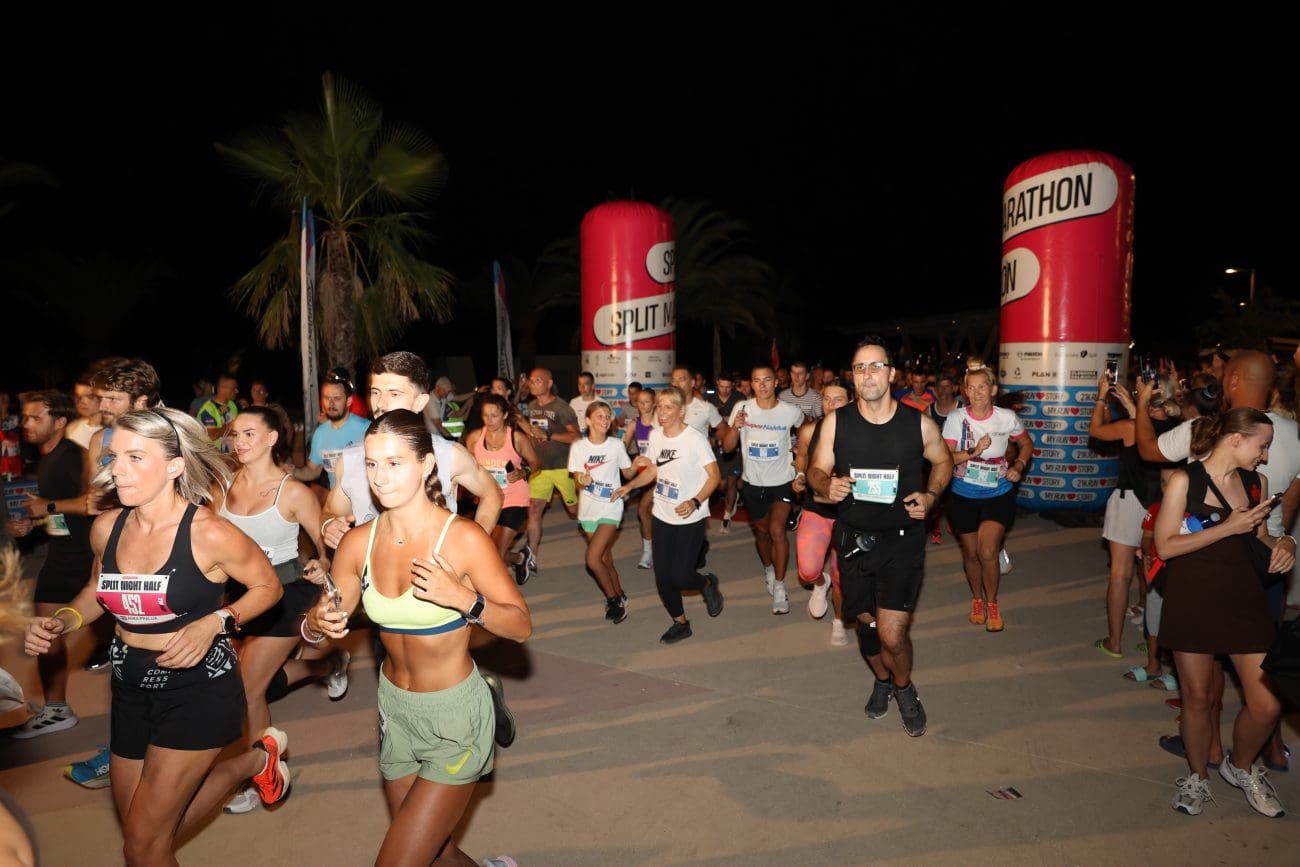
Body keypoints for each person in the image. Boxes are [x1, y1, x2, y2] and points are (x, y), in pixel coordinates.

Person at [23, 407, 289, 864]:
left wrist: (216, 622)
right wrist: (63, 621)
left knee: (143, 846)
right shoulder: (108, 528)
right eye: (113, 458)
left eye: (134, 458)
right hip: (129, 685)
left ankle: (250, 761)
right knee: (143, 836)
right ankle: (255, 762)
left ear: (174, 466)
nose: (116, 471)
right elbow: (97, 591)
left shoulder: (210, 533)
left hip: (198, 688)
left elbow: (269, 587)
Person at [306, 409, 531, 865]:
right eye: (370, 464)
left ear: (427, 465)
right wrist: (315, 623)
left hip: (455, 716)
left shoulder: (462, 538)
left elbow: (521, 625)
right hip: (395, 710)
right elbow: (322, 628)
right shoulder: (357, 542)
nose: (379, 477)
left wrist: (465, 599)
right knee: (436, 850)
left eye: (394, 463)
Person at [808, 337, 953, 738]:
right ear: (852, 377)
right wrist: (828, 484)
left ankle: (904, 688)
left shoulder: (917, 423)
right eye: (859, 368)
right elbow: (817, 469)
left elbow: (943, 461)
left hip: (902, 540)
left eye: (875, 366)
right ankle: (882, 680)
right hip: (854, 539)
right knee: (868, 627)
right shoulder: (836, 422)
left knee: (892, 634)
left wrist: (932, 495)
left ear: (892, 374)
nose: (867, 375)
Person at [1155, 408, 1295, 817]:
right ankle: (1198, 777)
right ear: (1235, 439)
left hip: (1244, 601)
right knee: (1197, 699)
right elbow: (1164, 546)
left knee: (1268, 703)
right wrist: (1226, 528)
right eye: (1262, 445)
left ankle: (1241, 766)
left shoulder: (1258, 484)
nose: (1265, 455)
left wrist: (1288, 545)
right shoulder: (1184, 481)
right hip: (1192, 599)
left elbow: (1263, 538)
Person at [214, 406, 344, 814]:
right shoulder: (223, 486)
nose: (240, 442)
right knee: (261, 683)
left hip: (286, 595)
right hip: (238, 598)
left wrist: (322, 564)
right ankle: (325, 668)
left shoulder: (293, 492)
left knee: (246, 687)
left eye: (250, 434)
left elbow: (327, 546)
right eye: (236, 435)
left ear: (272, 438)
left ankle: (261, 772)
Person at [6, 391, 93, 738]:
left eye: (35, 417)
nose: (26, 424)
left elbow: (93, 502)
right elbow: (54, 510)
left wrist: (49, 507)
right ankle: (57, 709)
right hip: (61, 556)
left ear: (59, 422)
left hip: (88, 557)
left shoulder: (74, 457)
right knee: (46, 629)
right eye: (24, 417)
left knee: (118, 637)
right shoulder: (47, 457)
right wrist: (33, 523)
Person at [620, 386, 722, 644]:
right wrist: (631, 486)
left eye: (668, 407)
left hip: (690, 516)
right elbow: (654, 470)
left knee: (681, 576)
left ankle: (707, 583)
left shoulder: (694, 439)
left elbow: (714, 476)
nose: (662, 412)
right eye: (659, 406)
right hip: (662, 514)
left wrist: (695, 501)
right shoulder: (655, 436)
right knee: (663, 578)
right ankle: (681, 623)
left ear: (681, 410)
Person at [942, 365, 1033, 633]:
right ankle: (976, 599)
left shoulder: (1006, 418)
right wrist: (973, 450)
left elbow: (1027, 443)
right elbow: (946, 459)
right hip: (963, 493)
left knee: (987, 551)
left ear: (993, 390)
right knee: (971, 555)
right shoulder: (956, 419)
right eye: (972, 387)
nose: (977, 392)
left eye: (983, 386)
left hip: (998, 492)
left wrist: (1019, 465)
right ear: (966, 391)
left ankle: (992, 603)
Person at [1088, 374, 1168, 661]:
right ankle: (1154, 645)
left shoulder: (1130, 427)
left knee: (1120, 574)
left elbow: (1096, 430)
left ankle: (1115, 642)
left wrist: (1100, 396)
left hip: (1129, 501)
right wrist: (1135, 405)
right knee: (1157, 571)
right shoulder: (1179, 427)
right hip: (1163, 505)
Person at [720, 365, 805, 615]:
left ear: (776, 383)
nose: (763, 385)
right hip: (754, 482)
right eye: (757, 381)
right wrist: (735, 426)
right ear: (751, 385)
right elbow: (727, 448)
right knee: (762, 533)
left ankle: (780, 586)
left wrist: (801, 452)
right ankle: (768, 568)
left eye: (767, 380)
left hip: (782, 481)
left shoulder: (790, 412)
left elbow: (809, 432)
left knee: (778, 530)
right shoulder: (742, 409)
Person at [792, 378, 852, 643]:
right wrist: (800, 475)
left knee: (842, 574)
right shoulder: (809, 430)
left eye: (838, 399)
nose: (831, 404)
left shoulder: (861, 432)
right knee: (806, 570)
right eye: (827, 398)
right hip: (816, 508)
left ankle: (839, 621)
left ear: (850, 401)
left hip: (848, 513)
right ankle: (819, 583)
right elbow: (802, 457)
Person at [568, 402, 636, 622]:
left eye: (608, 416)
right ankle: (621, 594)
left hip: (611, 507)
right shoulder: (579, 448)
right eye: (599, 416)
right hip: (588, 511)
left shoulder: (616, 445)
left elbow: (627, 472)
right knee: (605, 559)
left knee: (593, 559)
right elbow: (577, 482)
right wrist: (582, 479)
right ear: (588, 420)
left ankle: (613, 600)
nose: (605, 420)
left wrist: (640, 464)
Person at [464, 394, 540, 584]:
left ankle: (500, 599)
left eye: (494, 415)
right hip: (488, 500)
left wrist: (523, 472)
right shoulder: (474, 438)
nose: (489, 420)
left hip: (515, 499)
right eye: (485, 415)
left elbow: (536, 462)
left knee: (495, 554)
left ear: (505, 415)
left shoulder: (517, 438)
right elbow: (470, 468)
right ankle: (520, 558)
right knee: (485, 552)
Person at [523, 368, 580, 578]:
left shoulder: (561, 407)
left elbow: (575, 437)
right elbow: (532, 435)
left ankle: (591, 527)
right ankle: (532, 557)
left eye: (538, 380)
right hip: (541, 468)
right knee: (534, 510)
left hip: (563, 465)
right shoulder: (531, 407)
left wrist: (549, 435)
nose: (533, 383)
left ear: (549, 383)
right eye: (531, 380)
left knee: (573, 511)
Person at [295, 372, 370, 488]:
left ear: (348, 401)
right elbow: (313, 471)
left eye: (337, 398)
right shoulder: (320, 433)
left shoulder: (366, 428)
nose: (331, 403)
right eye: (327, 398)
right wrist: (292, 471)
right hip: (337, 502)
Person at [621, 387, 658, 570]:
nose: (642, 405)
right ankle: (649, 550)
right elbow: (623, 445)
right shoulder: (634, 424)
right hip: (643, 474)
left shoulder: (660, 423)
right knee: (645, 512)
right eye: (639, 401)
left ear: (654, 403)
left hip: (660, 474)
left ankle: (650, 551)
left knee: (644, 509)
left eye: (646, 401)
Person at [708, 372, 744, 532]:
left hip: (734, 446)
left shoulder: (740, 399)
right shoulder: (709, 399)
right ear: (717, 383)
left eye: (728, 387)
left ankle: (726, 517)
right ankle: (733, 497)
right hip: (715, 446)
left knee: (730, 482)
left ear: (733, 386)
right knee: (719, 484)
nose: (724, 390)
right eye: (721, 386)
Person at [196, 374, 239, 452]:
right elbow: (210, 435)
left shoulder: (232, 405)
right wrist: (229, 427)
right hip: (215, 457)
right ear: (223, 388)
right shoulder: (208, 409)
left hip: (230, 454)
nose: (237, 391)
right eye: (234, 388)